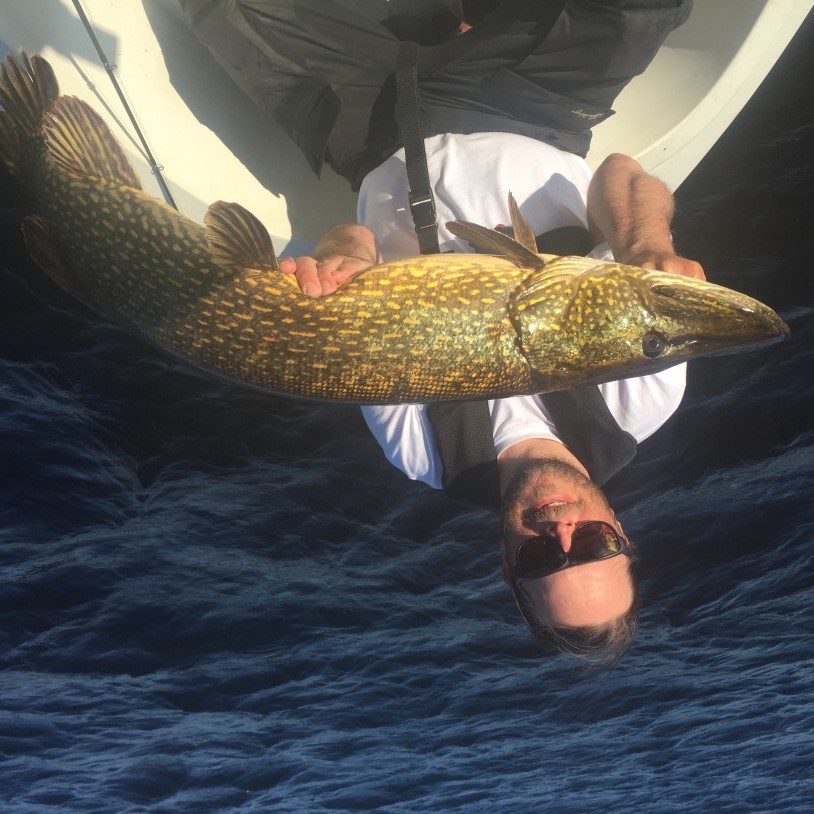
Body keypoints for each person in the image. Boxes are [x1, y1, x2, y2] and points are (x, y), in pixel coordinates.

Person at [182, 0, 702, 663]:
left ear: (507, 565)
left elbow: (356, 239)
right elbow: (621, 173)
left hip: (375, 128)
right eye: (594, 546)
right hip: (531, 104)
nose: (562, 532)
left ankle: (441, 19)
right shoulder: (639, 391)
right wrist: (648, 246)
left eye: (543, 560)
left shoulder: (424, 450)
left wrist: (343, 262)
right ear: (621, 532)